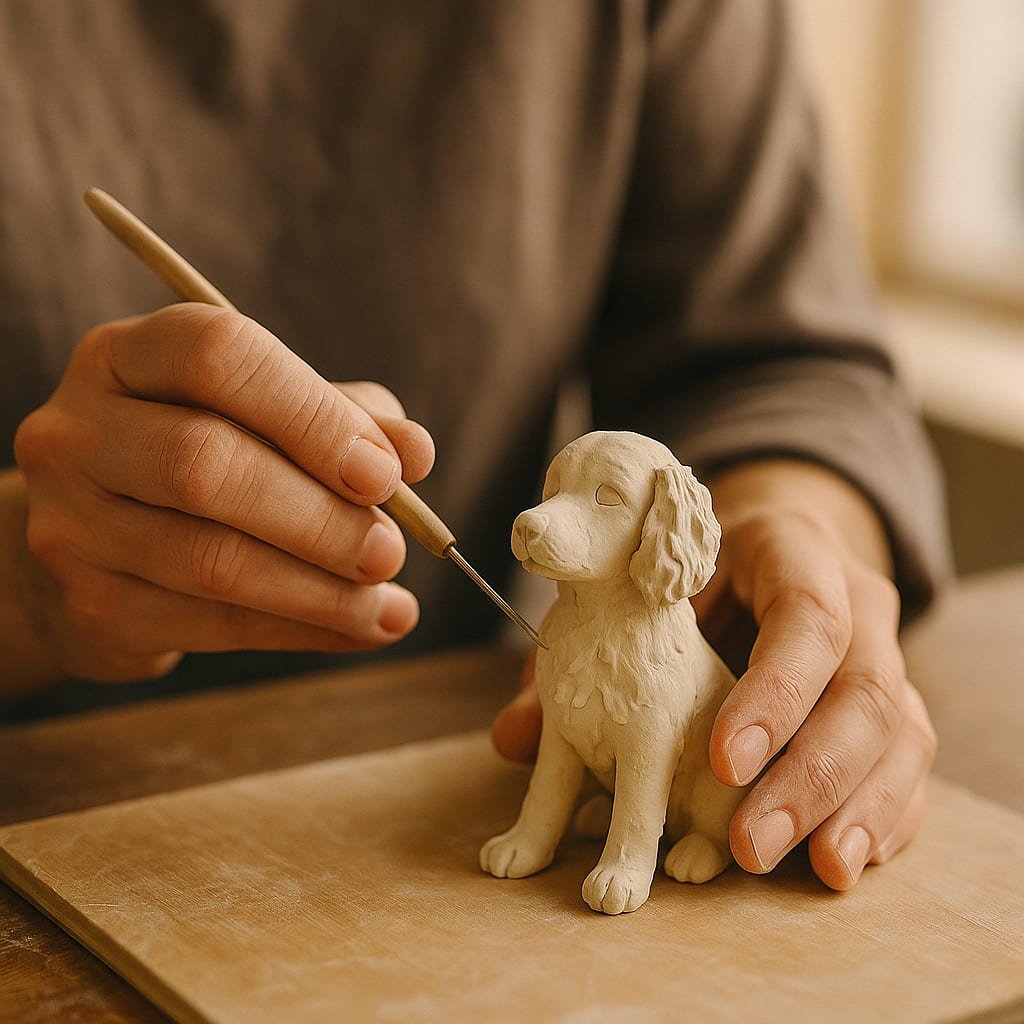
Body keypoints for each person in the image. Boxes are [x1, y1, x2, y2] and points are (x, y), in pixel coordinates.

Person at [0, 1, 950, 892]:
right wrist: (22, 580)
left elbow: (781, 361)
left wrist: (794, 523)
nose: (549, 518)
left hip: (430, 744)